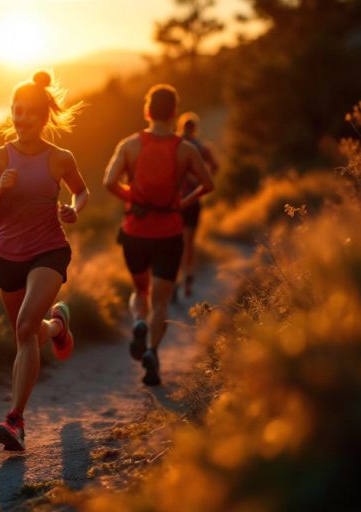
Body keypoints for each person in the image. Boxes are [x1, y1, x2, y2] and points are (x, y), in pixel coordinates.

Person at [0, 71, 88, 451]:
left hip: (49, 250)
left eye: (30, 114)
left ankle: (15, 419)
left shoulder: (60, 158)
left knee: (23, 328)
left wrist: (73, 208)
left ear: (44, 117)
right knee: (29, 334)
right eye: (16, 112)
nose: (21, 119)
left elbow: (82, 192)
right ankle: (57, 327)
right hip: (7, 255)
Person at [102, 84, 213, 386]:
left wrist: (132, 198)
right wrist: (181, 202)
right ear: (174, 112)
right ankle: (151, 351)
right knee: (161, 301)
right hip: (169, 232)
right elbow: (208, 183)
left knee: (140, 292)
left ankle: (139, 321)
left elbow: (108, 181)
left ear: (147, 110)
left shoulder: (129, 145)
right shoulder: (186, 149)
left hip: (135, 232)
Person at [175, 112, 219, 299]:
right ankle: (187, 279)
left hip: (175, 201)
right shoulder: (202, 147)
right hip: (193, 200)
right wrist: (202, 179)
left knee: (176, 244)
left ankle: (175, 282)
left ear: (181, 127)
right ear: (195, 129)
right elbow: (215, 167)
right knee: (189, 243)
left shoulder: (175, 145)